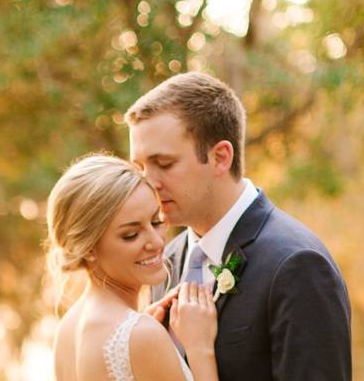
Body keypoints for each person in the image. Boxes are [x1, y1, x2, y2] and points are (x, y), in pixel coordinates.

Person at [126, 71, 352, 381]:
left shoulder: (297, 265)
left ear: (220, 157)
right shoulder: (163, 262)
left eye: (164, 164)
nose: (148, 183)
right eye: (139, 167)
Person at [47, 154, 220, 381]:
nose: (158, 242)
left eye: (156, 221)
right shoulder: (141, 335)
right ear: (88, 248)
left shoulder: (67, 329)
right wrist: (200, 348)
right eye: (131, 235)